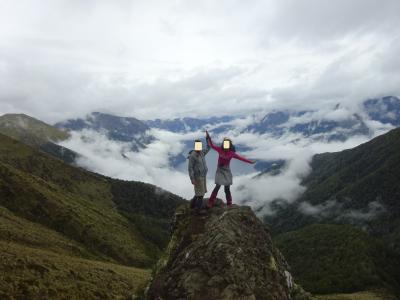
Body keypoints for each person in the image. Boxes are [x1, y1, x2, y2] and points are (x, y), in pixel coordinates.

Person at [206, 130, 255, 208]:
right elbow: (211, 145)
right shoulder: (220, 150)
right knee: (217, 186)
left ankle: (229, 203)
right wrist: (208, 138)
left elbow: (241, 158)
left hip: (226, 170)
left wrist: (250, 162)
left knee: (227, 188)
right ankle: (210, 202)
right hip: (220, 170)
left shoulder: (231, 153)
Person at [187, 138, 210, 210]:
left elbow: (209, 148)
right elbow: (190, 168)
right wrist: (192, 179)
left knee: (199, 192)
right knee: (201, 194)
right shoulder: (192, 156)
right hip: (198, 177)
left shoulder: (202, 153)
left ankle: (192, 205)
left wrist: (207, 139)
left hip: (203, 176)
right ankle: (198, 209)